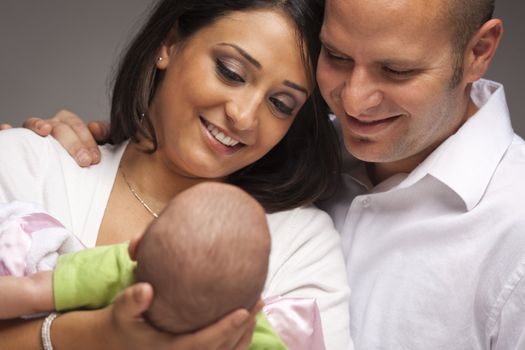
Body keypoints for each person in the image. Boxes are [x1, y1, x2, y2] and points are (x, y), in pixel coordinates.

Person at [23, 0, 525, 349]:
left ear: (478, 52)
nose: (352, 101)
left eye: (396, 71)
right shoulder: (311, 152)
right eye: (337, 57)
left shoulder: (513, 232)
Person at [0, 0, 351, 349]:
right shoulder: (29, 165)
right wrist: (96, 335)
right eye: (230, 72)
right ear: (168, 44)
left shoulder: (300, 242)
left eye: (281, 103)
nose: (243, 116)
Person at [0, 183, 290, 349]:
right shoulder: (246, 331)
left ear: (135, 246)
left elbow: (32, 290)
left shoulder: (116, 268)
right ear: (255, 302)